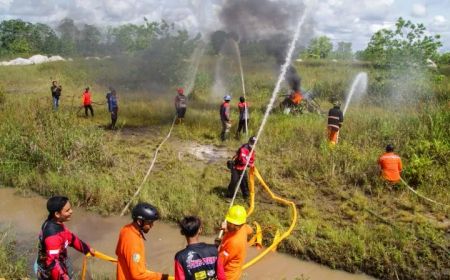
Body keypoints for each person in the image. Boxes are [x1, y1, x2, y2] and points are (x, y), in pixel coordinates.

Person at [35, 196, 95, 280]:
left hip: (58, 261)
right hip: (49, 272)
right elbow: (52, 263)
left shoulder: (56, 223)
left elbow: (71, 238)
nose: (71, 211)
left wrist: (87, 249)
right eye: (67, 210)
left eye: (70, 208)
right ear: (57, 214)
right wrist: (64, 277)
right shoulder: (52, 236)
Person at [116, 202, 171, 280]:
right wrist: (160, 277)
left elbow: (118, 252)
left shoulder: (125, 229)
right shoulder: (133, 241)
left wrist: (138, 264)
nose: (152, 226)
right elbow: (137, 275)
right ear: (139, 221)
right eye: (150, 222)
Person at [174, 216, 225, 280]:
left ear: (183, 232)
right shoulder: (214, 250)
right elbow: (221, 276)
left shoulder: (180, 257)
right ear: (200, 230)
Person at [218, 205, 253, 280]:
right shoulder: (243, 227)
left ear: (235, 225)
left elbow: (219, 262)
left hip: (227, 276)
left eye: (229, 223)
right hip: (235, 271)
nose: (227, 223)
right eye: (228, 222)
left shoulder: (234, 243)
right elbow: (250, 230)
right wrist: (226, 230)